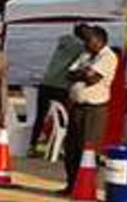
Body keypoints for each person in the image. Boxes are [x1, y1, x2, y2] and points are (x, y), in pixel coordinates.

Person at [62, 25, 119, 194]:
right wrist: (83, 73)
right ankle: (71, 184)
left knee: (88, 148)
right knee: (72, 147)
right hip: (77, 106)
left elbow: (93, 79)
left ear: (100, 40)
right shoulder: (86, 55)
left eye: (89, 40)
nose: (86, 43)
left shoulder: (108, 56)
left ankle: (85, 187)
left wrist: (82, 73)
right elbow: (68, 74)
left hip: (94, 108)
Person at [33, 24, 87, 154]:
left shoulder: (63, 41)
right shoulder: (81, 46)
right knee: (68, 117)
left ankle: (33, 145)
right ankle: (64, 146)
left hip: (46, 83)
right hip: (61, 86)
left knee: (40, 117)